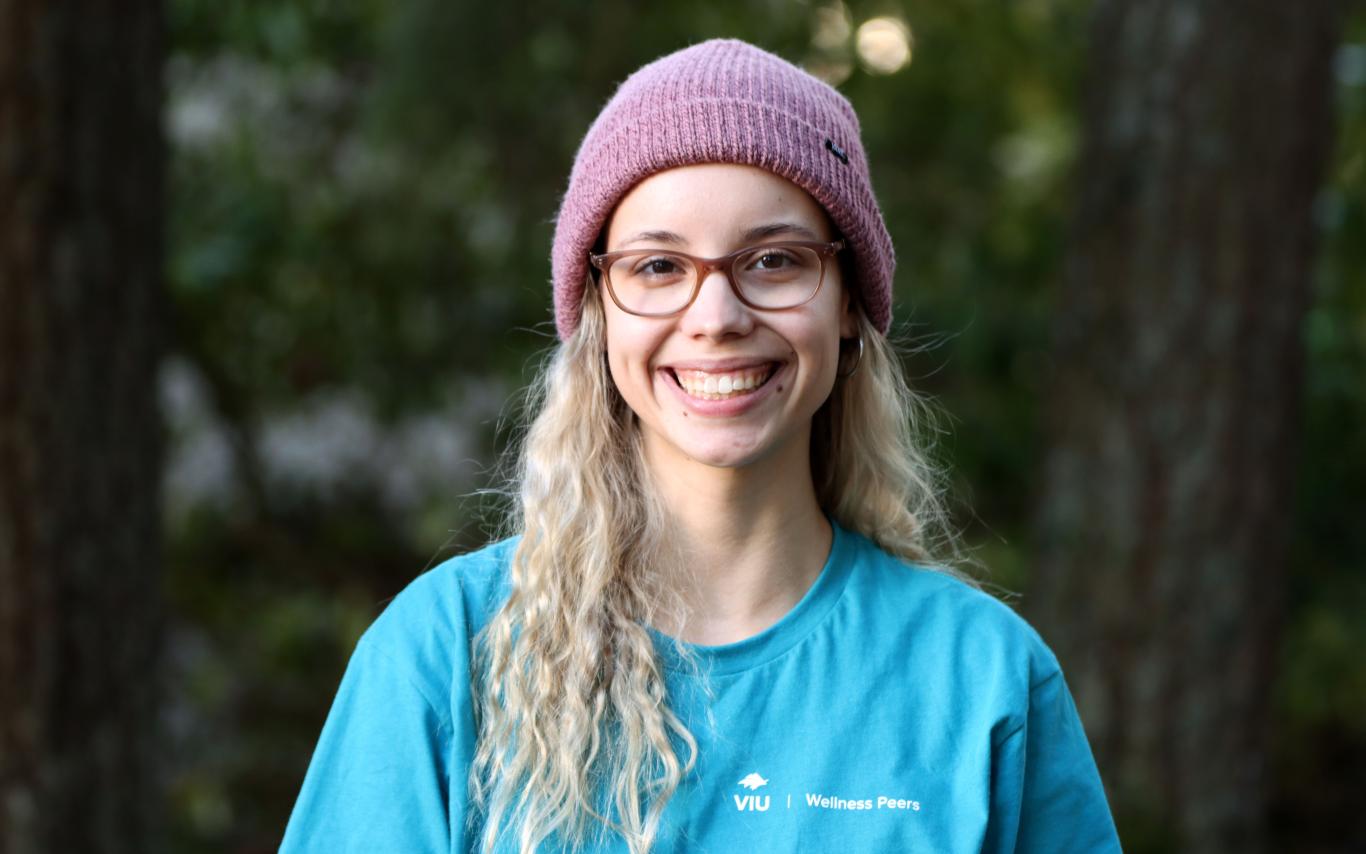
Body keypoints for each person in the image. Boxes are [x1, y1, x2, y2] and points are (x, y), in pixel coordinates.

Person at [280, 38, 1122, 854]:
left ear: (849, 306)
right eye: (657, 267)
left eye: (775, 259)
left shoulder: (981, 679)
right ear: (599, 317)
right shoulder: (445, 654)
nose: (716, 317)